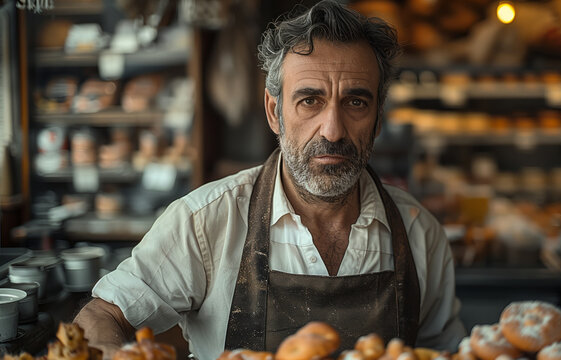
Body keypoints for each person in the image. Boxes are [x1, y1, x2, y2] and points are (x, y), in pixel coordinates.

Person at [73, 1, 466, 358]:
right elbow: (102, 315)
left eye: (356, 102)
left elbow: (443, 352)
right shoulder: (205, 223)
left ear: (379, 118)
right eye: (310, 100)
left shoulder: (420, 236)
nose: (332, 130)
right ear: (274, 112)